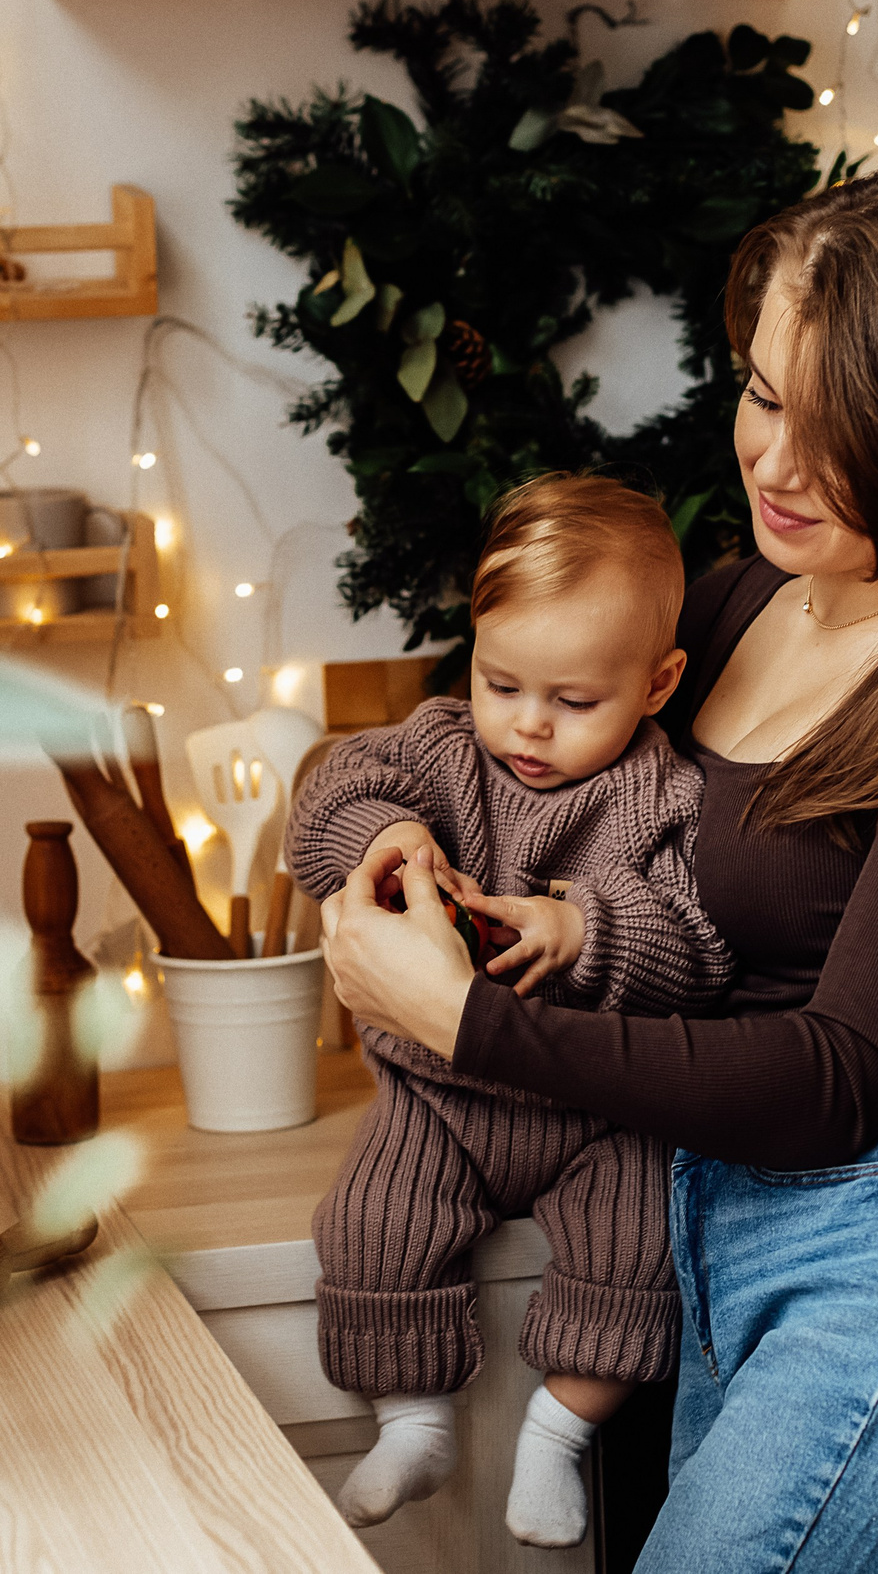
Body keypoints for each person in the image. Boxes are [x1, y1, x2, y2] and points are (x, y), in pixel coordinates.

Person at [318, 159, 878, 1573]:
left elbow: (840, 1073)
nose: (775, 461)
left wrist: (468, 1019)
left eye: (843, 426)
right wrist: (396, 840)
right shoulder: (738, 595)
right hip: (721, 1245)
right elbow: (502, 742)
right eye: (764, 393)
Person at [286, 473, 734, 1549]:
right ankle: (412, 1422)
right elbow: (324, 809)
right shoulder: (440, 749)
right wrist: (387, 837)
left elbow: (699, 945)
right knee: (369, 1225)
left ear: (658, 681)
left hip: (597, 1117)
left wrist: (586, 932)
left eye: (574, 701)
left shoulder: (667, 798)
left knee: (640, 1254)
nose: (528, 725)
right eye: (503, 683)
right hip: (437, 1099)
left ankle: (556, 1435)